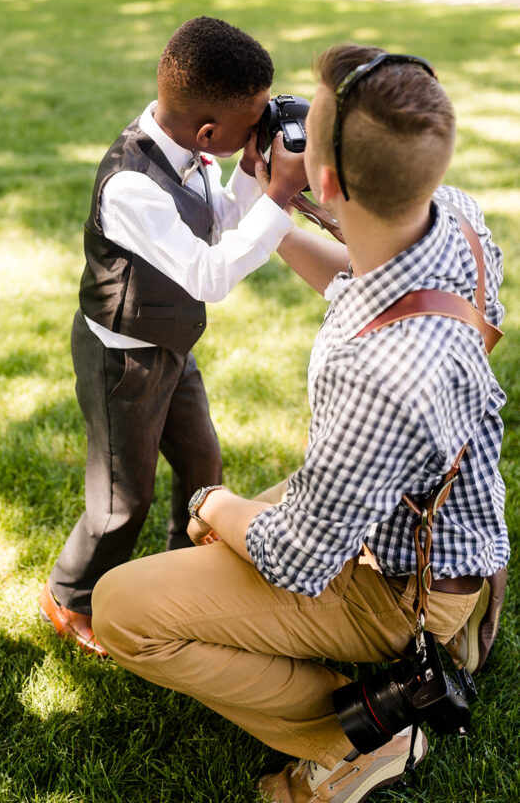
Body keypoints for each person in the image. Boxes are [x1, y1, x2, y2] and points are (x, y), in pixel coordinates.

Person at [91, 43, 509, 802]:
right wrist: (272, 212)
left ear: (321, 179)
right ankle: (467, 614)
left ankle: (360, 735)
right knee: (239, 528)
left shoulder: (373, 374)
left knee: (123, 606)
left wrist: (214, 504)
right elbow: (364, 274)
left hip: (394, 579)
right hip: (444, 522)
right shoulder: (459, 220)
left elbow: (297, 559)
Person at [39, 16, 306, 655]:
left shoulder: (196, 151)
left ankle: (173, 581)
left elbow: (220, 228)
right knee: (120, 499)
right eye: (253, 123)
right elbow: (210, 273)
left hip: (170, 348)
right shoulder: (132, 183)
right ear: (209, 130)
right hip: (122, 361)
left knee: (201, 468)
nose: (261, 128)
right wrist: (285, 193)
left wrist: (252, 174)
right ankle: (69, 595)